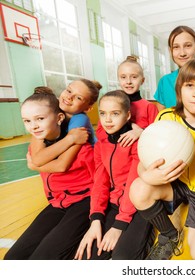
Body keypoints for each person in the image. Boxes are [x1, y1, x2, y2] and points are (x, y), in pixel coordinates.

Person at [130, 58, 195, 260]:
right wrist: (148, 176)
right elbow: (146, 161)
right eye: (190, 85)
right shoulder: (166, 118)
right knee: (138, 189)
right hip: (174, 184)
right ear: (180, 88)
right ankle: (169, 235)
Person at [4, 89, 94, 259]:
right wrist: (35, 164)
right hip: (58, 202)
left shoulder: (81, 143)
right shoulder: (37, 145)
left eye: (40, 119)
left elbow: (63, 167)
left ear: (59, 118)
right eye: (27, 121)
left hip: (85, 202)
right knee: (13, 258)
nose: (34, 126)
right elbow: (40, 160)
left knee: (43, 258)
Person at [75, 90, 153, 260]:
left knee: (122, 259)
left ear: (127, 116)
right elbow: (100, 183)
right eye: (103, 113)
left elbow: (134, 182)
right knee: (90, 255)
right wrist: (95, 219)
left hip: (139, 206)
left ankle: (148, 240)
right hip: (116, 202)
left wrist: (120, 224)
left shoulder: (138, 143)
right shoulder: (101, 145)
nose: (107, 120)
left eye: (115, 114)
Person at [28, 79, 101, 168]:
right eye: (69, 91)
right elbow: (38, 156)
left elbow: (61, 165)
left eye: (79, 98)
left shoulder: (80, 120)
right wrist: (71, 138)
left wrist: (33, 166)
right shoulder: (51, 110)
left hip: (91, 170)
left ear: (87, 108)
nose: (69, 97)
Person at [95, 56, 158, 146]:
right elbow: (100, 133)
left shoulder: (149, 107)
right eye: (123, 77)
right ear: (119, 79)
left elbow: (157, 134)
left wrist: (141, 132)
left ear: (142, 80)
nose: (128, 81)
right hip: (115, 154)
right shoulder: (110, 103)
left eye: (134, 77)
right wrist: (128, 127)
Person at [153, 25, 195, 111]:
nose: (182, 53)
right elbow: (160, 120)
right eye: (176, 47)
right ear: (171, 52)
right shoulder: (165, 82)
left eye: (188, 45)